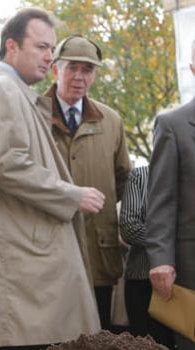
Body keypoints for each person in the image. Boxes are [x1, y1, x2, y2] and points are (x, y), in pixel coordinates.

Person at [0, 8, 103, 349]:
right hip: (25, 272)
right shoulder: (2, 90)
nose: (49, 56)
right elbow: (5, 163)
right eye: (41, 46)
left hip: (26, 269)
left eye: (50, 48)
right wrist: (71, 195)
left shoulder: (9, 90)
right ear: (12, 46)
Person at [45, 35, 131, 330]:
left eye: (88, 70)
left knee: (99, 333)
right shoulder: (34, 115)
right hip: (48, 249)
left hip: (99, 249)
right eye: (72, 68)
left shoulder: (111, 121)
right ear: (55, 69)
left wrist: (100, 202)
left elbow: (123, 179)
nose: (80, 77)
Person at [145, 38, 195, 350]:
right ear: (193, 68)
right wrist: (160, 260)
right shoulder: (172, 125)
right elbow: (161, 201)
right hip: (192, 267)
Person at [119, 166, 174, 348]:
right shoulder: (140, 176)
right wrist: (173, 243)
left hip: (187, 285)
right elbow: (129, 228)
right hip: (144, 283)